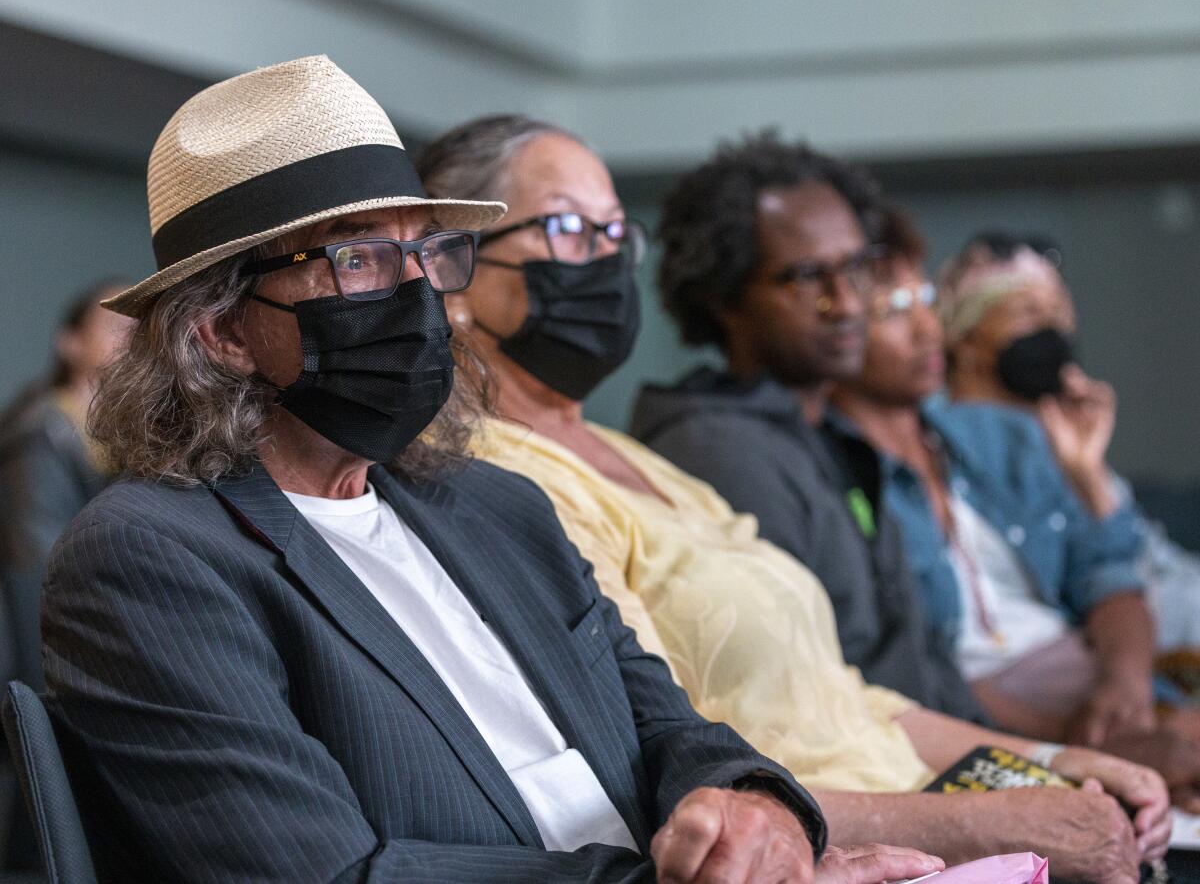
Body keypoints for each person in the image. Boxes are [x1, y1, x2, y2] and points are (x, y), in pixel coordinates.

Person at [39, 56, 854, 884]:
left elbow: (671, 728)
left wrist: (757, 808)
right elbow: (323, 874)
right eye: (358, 260)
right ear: (224, 330)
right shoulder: (146, 556)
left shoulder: (496, 505)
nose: (417, 293)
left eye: (426, 251)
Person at [418, 114, 1170, 883]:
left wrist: (1046, 761)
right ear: (453, 269)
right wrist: (987, 821)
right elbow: (650, 769)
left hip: (928, 812)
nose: (607, 258)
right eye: (572, 228)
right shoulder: (494, 483)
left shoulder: (640, 459)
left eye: (618, 231)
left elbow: (848, 697)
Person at [828, 208, 1200, 811]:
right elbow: (902, 675)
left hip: (1100, 681)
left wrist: (1125, 684)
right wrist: (1075, 746)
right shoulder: (834, 477)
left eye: (925, 299)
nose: (927, 328)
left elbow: (1106, 568)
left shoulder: (1000, 436)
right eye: (894, 310)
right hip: (988, 721)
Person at [633, 132, 982, 722]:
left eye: (855, 268)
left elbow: (925, 666)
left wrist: (1043, 763)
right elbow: (808, 709)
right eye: (805, 278)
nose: (846, 302)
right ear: (725, 299)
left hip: (939, 762)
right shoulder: (718, 449)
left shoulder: (829, 434)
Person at [939, 232, 1200, 655]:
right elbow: (1091, 582)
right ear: (964, 340)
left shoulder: (1059, 429)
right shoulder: (953, 438)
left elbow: (1145, 560)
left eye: (1060, 311)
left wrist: (1088, 472)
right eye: (1027, 311)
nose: (1052, 328)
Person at [0, 279, 132, 873]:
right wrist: (51, 695)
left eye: (138, 330)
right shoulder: (42, 435)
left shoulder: (115, 436)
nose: (129, 340)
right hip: (55, 664)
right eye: (112, 326)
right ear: (69, 342)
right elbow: (35, 570)